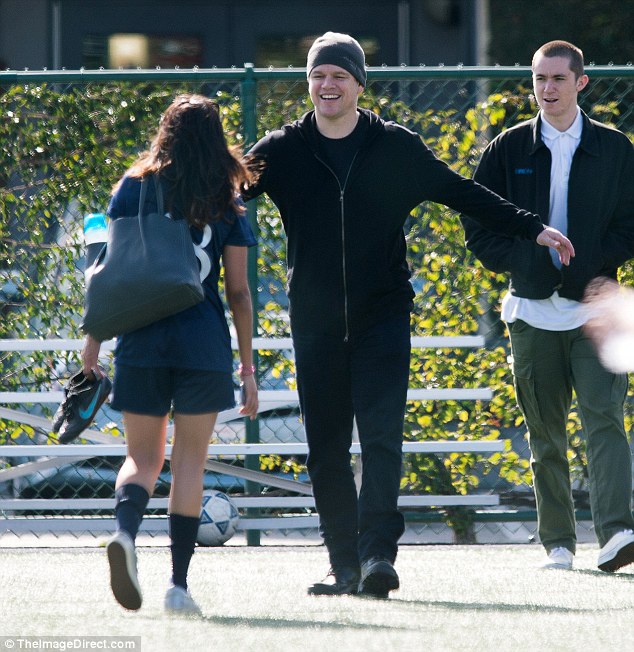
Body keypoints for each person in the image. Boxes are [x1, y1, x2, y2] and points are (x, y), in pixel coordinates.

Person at [243, 31, 574, 598]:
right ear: (309, 83)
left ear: (357, 85)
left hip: (383, 317)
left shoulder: (395, 146)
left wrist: (531, 226)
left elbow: (460, 192)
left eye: (339, 76)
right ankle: (342, 564)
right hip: (316, 320)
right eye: (319, 75)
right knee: (325, 445)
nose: (327, 85)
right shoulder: (282, 150)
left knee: (380, 439)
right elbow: (221, 192)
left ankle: (376, 558)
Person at [81, 94, 259, 614]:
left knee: (141, 458)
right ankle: (178, 587)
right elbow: (239, 293)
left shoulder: (132, 187)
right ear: (215, 138)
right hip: (202, 343)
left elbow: (107, 274)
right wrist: (248, 369)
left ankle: (125, 534)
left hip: (140, 338)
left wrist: (94, 339)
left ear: (166, 133)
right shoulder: (227, 199)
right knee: (188, 462)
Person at [461, 40, 634, 572]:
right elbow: (477, 225)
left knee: (604, 420)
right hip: (531, 312)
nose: (547, 88)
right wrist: (527, 263)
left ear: (581, 82)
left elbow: (629, 224)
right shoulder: (506, 149)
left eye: (558, 78)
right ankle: (558, 544)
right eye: (539, 79)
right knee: (546, 433)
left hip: (598, 309)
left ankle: (618, 534)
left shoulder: (616, 148)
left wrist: (592, 267)